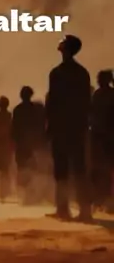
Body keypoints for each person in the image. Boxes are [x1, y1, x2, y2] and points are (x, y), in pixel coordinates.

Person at [45, 35, 91, 221]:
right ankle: (84, 210)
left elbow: (52, 102)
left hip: (61, 127)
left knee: (61, 169)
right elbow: (86, 102)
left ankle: (63, 209)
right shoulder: (82, 73)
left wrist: (49, 125)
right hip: (77, 126)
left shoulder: (57, 73)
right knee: (79, 168)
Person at [11, 86, 46, 203]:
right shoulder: (36, 109)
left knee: (24, 169)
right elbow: (41, 126)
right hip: (32, 144)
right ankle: (30, 195)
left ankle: (27, 195)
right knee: (31, 169)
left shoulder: (18, 110)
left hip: (23, 145)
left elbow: (14, 129)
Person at [90, 70, 114, 210]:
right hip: (100, 136)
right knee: (100, 170)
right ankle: (101, 199)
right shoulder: (98, 94)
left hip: (105, 137)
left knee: (105, 169)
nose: (98, 81)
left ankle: (105, 199)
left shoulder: (103, 95)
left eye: (100, 78)